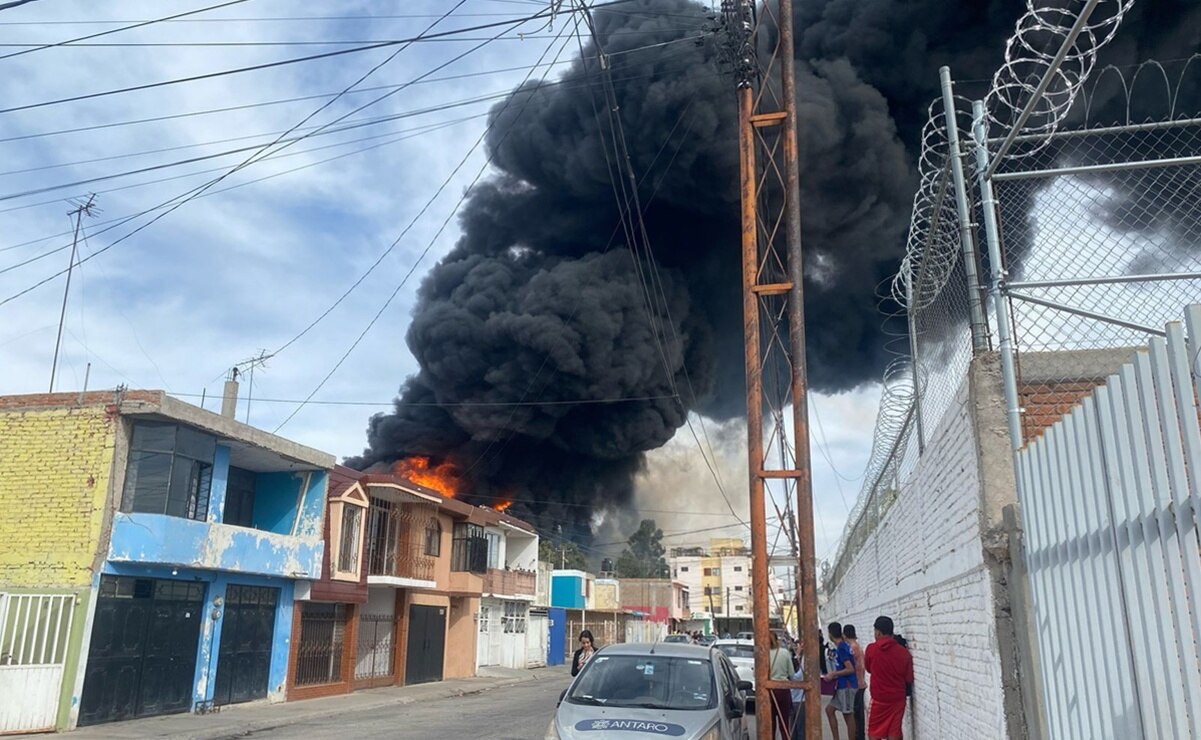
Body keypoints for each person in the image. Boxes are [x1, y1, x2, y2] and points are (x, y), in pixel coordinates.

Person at [864, 616, 914, 740]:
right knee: (895, 732)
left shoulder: (871, 649)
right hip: (897, 698)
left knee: (874, 732)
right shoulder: (904, 653)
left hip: (879, 699)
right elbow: (908, 678)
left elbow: (869, 669)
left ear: (878, 632)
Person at [821, 622, 858, 740]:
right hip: (841, 685)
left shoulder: (842, 648)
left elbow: (850, 668)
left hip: (847, 685)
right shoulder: (842, 646)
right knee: (829, 710)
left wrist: (834, 674)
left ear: (830, 634)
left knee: (848, 715)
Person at [768, 632, 794, 739]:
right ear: (777, 640)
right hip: (783, 690)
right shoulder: (784, 653)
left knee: (770, 724)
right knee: (784, 724)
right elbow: (791, 674)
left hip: (769, 690)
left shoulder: (763, 654)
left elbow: (756, 674)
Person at [844, 625, 867, 740]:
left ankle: (858, 737)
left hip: (855, 684)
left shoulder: (851, 648)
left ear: (844, 635)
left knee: (855, 715)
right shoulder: (858, 646)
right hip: (861, 683)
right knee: (859, 714)